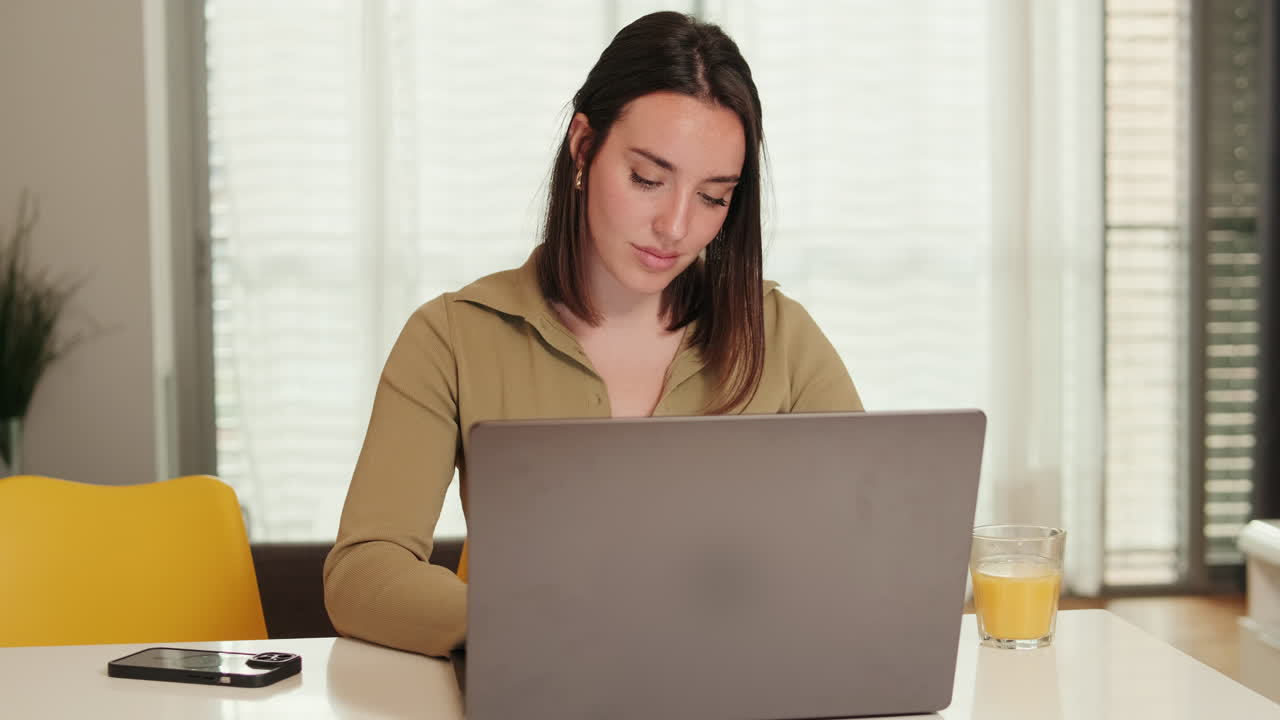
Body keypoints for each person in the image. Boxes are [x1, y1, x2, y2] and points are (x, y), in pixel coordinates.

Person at [323, 10, 862, 658]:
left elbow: (867, 548)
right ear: (583, 147)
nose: (675, 226)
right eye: (647, 179)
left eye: (714, 197)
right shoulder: (453, 338)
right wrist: (522, 623)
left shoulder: (781, 336)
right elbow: (362, 574)